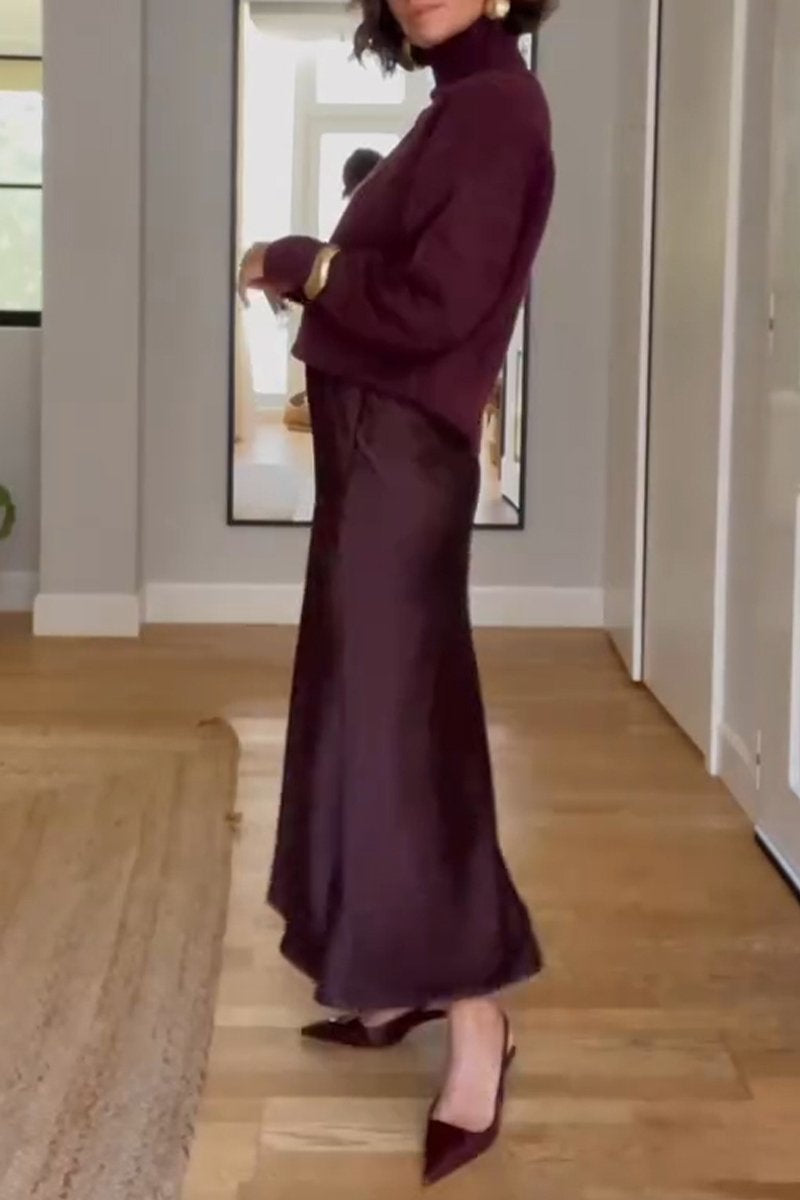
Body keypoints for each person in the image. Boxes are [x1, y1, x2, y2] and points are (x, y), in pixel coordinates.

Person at [238, 0, 556, 1183]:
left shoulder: (496, 111)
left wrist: (298, 262)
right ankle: (388, 977)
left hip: (400, 471)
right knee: (357, 720)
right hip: (372, 466)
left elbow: (436, 306)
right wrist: (320, 274)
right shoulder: (457, 107)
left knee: (403, 737)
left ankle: (477, 1020)